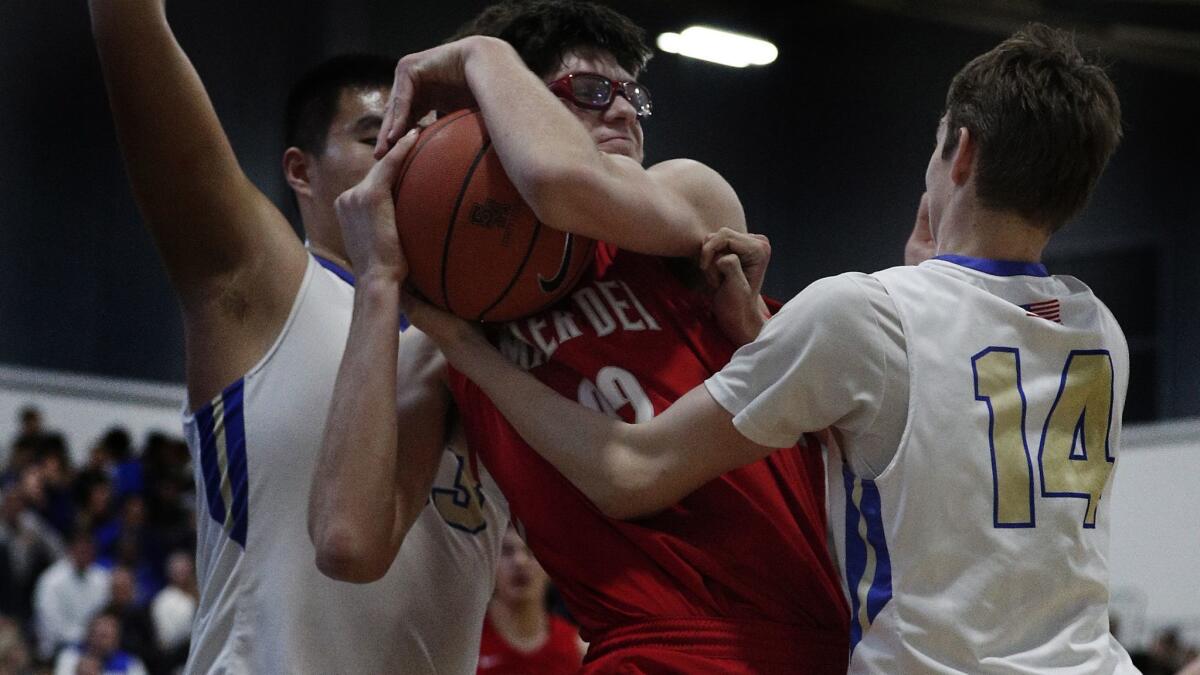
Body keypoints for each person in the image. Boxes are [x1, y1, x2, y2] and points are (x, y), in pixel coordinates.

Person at [409, 22, 1137, 673]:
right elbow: (895, 415)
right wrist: (759, 327)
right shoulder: (1099, 328)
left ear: (961, 152)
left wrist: (465, 349)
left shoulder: (863, 311)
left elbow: (630, 469)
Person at [322, 0, 849, 670]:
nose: (625, 112)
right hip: (642, 649)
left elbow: (556, 181)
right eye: (592, 93)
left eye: (633, 94)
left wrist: (480, 53)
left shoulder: (685, 203)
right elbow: (348, 542)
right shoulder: (452, 344)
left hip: (805, 642)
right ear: (497, 116)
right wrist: (379, 286)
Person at [88, 1, 508, 672]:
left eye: (424, 136)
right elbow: (127, 27)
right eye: (378, 134)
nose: (408, 152)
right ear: (300, 171)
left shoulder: (486, 343)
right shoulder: (266, 281)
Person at [477, 526, 583, 674]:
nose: (520, 561)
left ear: (551, 567)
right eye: (507, 551)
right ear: (489, 564)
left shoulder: (578, 647)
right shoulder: (467, 643)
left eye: (532, 552)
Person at [33, 533, 110, 662]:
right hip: (58, 646)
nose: (85, 555)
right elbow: (49, 622)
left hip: (95, 646)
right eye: (81, 551)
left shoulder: (102, 578)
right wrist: (83, 639)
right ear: (70, 551)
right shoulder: (51, 580)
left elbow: (105, 614)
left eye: (88, 551)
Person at [52, 611, 147, 675]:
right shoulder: (70, 656)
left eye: (105, 636)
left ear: (116, 640)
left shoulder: (132, 664)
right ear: (88, 635)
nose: (100, 641)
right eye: (96, 634)